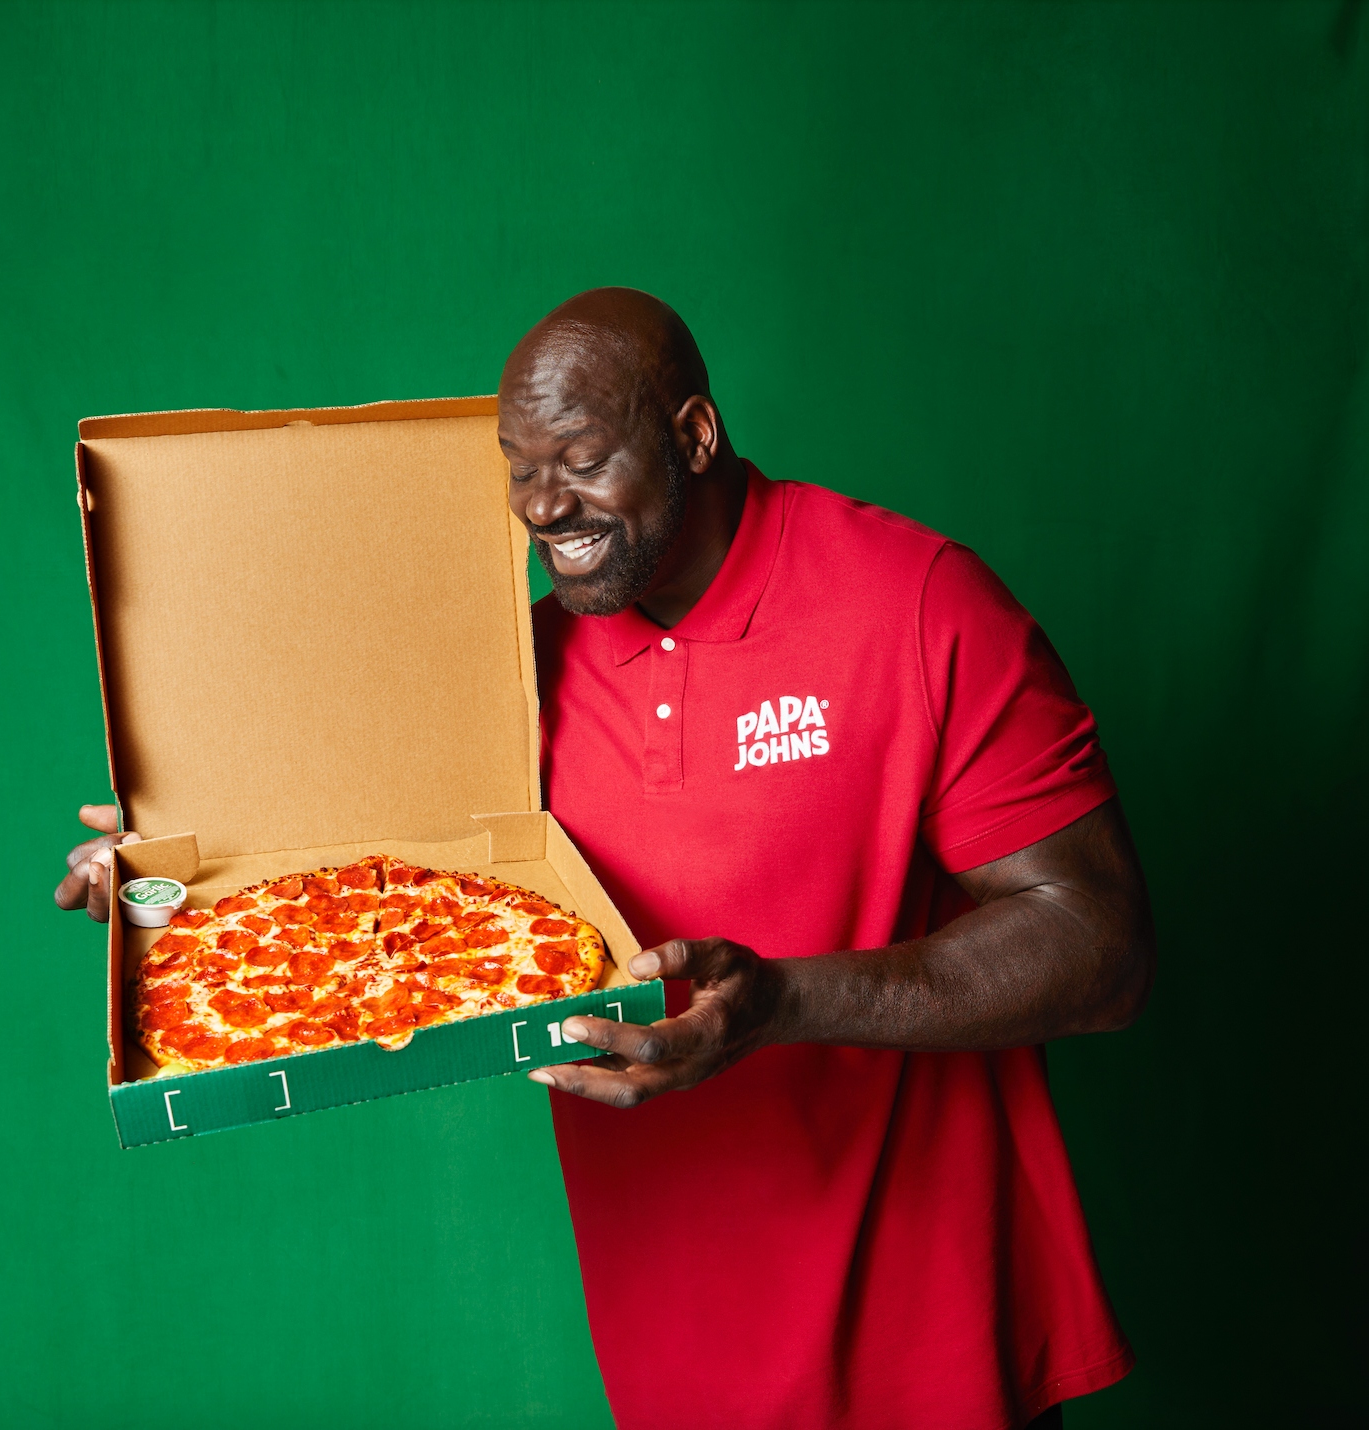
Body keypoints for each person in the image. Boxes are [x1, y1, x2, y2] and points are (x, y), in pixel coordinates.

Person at [56, 288, 1154, 1430]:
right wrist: (174, 860)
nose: (541, 506)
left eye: (580, 460)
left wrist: (781, 1001)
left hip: (932, 1344)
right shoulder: (516, 675)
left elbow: (1105, 944)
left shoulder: (917, 601)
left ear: (694, 434)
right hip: (672, 1351)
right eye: (519, 468)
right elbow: (348, 874)